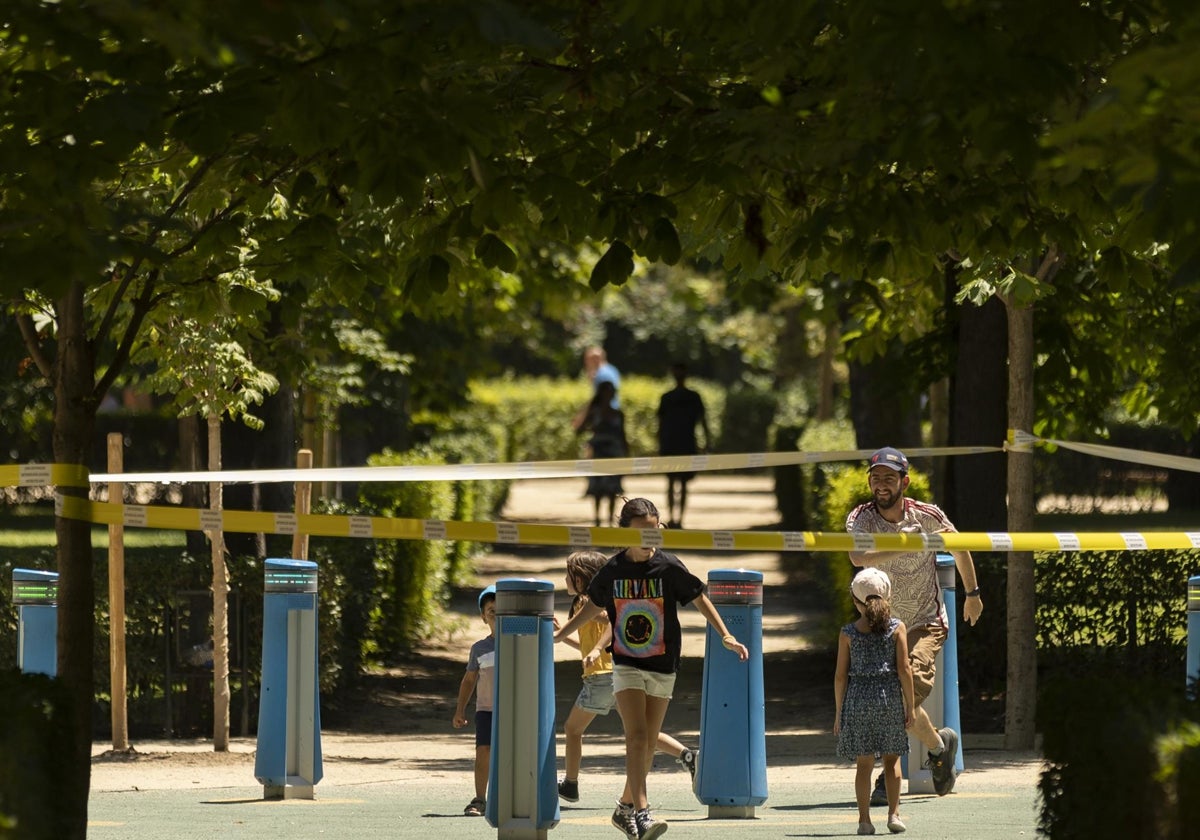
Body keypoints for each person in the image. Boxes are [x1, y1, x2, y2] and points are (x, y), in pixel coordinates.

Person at [554, 497, 750, 840]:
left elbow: (699, 597)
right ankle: (643, 812)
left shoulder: (668, 566)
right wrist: (562, 634)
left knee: (645, 745)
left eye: (654, 530)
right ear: (625, 533)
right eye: (642, 531)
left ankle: (624, 808)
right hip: (627, 663)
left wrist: (726, 634)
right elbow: (594, 606)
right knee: (638, 736)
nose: (650, 537)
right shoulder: (613, 571)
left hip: (663, 664)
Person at [846, 446, 983, 803]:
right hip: (885, 626)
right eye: (876, 478)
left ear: (904, 482)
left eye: (889, 479)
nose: (881, 485)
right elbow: (859, 557)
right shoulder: (861, 517)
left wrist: (973, 593)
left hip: (926, 622)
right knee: (896, 700)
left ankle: (886, 774)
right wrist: (908, 546)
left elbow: (959, 548)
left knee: (899, 693)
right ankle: (940, 747)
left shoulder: (927, 515)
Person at [554, 549, 698, 806]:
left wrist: (596, 646)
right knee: (641, 733)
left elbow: (614, 620)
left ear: (581, 577)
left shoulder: (586, 602)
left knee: (572, 729)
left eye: (569, 574)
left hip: (603, 677)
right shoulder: (590, 602)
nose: (565, 580)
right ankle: (687, 756)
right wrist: (566, 636)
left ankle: (571, 783)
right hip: (611, 675)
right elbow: (587, 647)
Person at [835, 567, 915, 835]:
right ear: (888, 595)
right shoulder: (896, 628)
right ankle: (894, 815)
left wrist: (839, 713)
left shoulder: (848, 632)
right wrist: (910, 705)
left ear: (855, 601)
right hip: (888, 697)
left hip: (858, 698)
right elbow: (904, 669)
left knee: (864, 764)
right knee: (892, 761)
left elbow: (840, 676)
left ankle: (864, 821)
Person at [452, 585, 497, 817]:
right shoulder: (479, 649)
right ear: (483, 616)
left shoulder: (522, 643)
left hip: (515, 710)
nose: (496, 615)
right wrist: (460, 709)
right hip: (487, 710)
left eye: (502, 610)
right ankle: (480, 798)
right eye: (491, 611)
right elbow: (469, 680)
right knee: (483, 751)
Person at [656, 362, 710, 528]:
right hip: (675, 443)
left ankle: (678, 518)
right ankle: (675, 517)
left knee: (680, 483)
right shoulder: (670, 397)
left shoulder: (688, 397)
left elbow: (702, 420)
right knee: (673, 482)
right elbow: (660, 422)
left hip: (683, 443)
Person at [573, 380, 627, 526]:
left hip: (614, 453)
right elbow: (578, 429)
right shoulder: (593, 412)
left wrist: (626, 456)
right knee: (597, 488)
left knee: (612, 488)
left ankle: (609, 519)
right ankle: (597, 519)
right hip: (598, 452)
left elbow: (623, 436)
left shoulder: (618, 414)